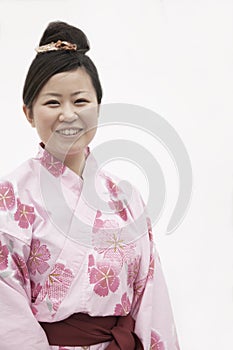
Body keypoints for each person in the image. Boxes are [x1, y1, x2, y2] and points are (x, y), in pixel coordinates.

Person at [0, 21, 180, 349]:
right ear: (28, 112)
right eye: (53, 103)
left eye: (80, 101)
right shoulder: (9, 200)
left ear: (98, 105)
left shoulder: (127, 199)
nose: (68, 114)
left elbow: (152, 302)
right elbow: (7, 316)